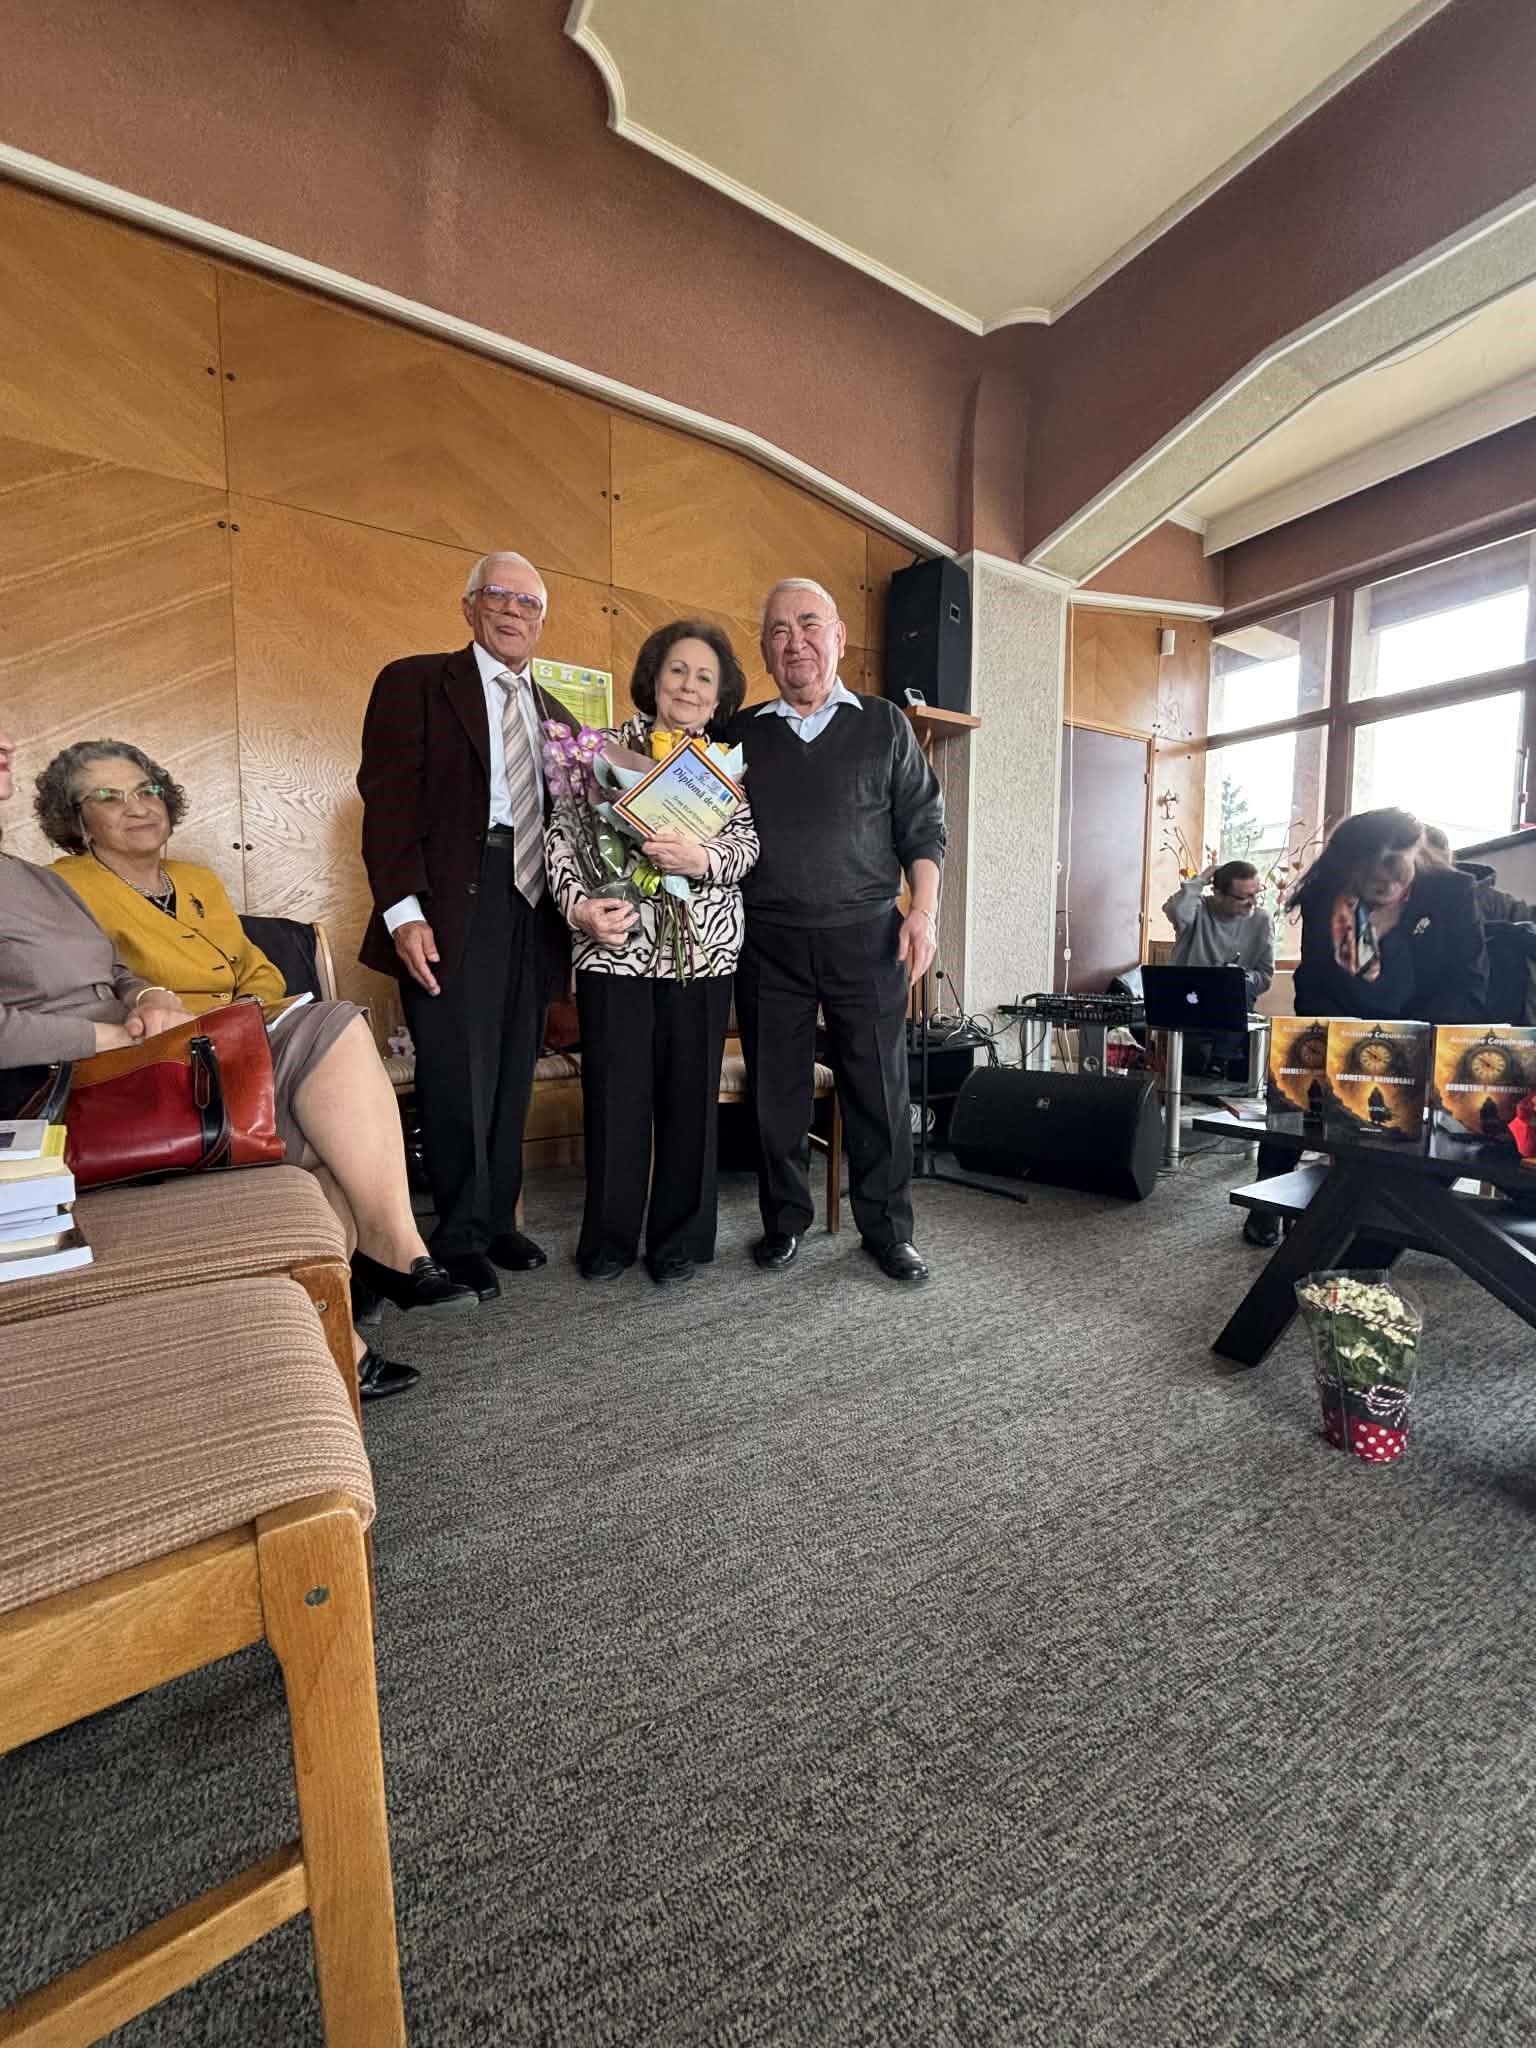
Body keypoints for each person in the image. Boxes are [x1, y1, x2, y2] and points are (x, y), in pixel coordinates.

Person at [30, 734, 476, 1397]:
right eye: (109, 796)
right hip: (162, 1072)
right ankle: (388, 1258)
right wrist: (212, 1010)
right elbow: (99, 994)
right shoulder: (65, 889)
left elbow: (256, 970)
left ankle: (344, 1328)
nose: (137, 806)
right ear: (77, 819)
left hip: (241, 1049)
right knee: (333, 1054)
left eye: (147, 790)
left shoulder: (197, 880)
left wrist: (245, 1009)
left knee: (329, 1106)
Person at [357, 551, 575, 1302]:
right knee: (456, 1072)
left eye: (528, 602)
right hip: (451, 900)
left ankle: (497, 1219)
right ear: (469, 606)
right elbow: (388, 804)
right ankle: (457, 1235)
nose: (513, 610)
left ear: (541, 621)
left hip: (535, 905)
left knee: (514, 1067)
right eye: (499, 595)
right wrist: (404, 912)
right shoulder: (416, 683)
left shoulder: (560, 718)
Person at [728, 577, 944, 1285]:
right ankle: (784, 1222)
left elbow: (923, 827)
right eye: (779, 631)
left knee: (878, 1092)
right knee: (776, 1095)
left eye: (809, 625)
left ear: (840, 638)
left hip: (869, 936)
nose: (795, 642)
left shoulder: (884, 724)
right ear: (765, 650)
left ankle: (887, 1231)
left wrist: (924, 911)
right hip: (769, 941)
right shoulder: (739, 733)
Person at [547, 622, 758, 1283]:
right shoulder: (599, 754)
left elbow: (748, 848)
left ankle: (679, 1243)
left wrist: (704, 858)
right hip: (615, 950)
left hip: (703, 953)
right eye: (677, 670)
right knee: (616, 1097)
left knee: (691, 1101)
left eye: (704, 677)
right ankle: (609, 1241)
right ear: (653, 678)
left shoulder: (725, 769)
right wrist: (578, 908)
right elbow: (560, 838)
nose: (689, 687)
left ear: (719, 696)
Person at [1243, 806, 1487, 1244]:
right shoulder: (1328, 895)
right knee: (1297, 1066)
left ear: (1415, 856)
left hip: (1428, 1029)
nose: (1384, 884)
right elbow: (1313, 980)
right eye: (1369, 875)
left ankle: (1396, 1209)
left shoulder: (1450, 892)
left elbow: (1468, 982)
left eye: (1395, 872)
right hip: (1346, 1020)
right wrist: (1337, 1032)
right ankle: (1268, 1193)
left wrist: (1416, 1038)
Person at [1163, 860, 1274, 1000]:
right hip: (1185, 996)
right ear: (1219, 894)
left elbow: (1265, 976)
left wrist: (1240, 977)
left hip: (1231, 999)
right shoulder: (1197, 909)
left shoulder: (1262, 921)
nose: (1254, 902)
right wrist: (1202, 878)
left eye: (1256, 893)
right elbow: (1174, 910)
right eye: (1244, 897)